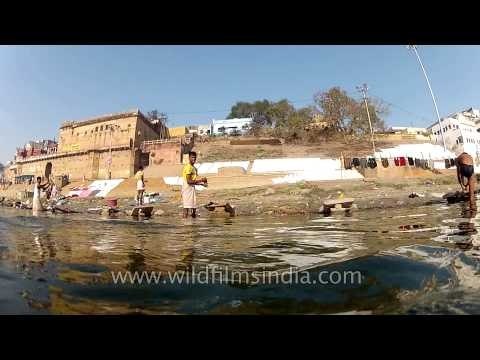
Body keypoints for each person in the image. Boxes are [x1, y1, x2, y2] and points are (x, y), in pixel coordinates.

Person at [182, 151, 207, 218]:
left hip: (191, 188)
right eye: (192, 157)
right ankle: (185, 225)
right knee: (186, 208)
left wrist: (201, 184)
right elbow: (189, 181)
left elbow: (193, 181)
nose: (194, 159)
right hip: (187, 188)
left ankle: (192, 225)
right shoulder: (188, 167)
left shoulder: (194, 168)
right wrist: (201, 180)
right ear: (189, 158)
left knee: (194, 208)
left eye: (195, 158)